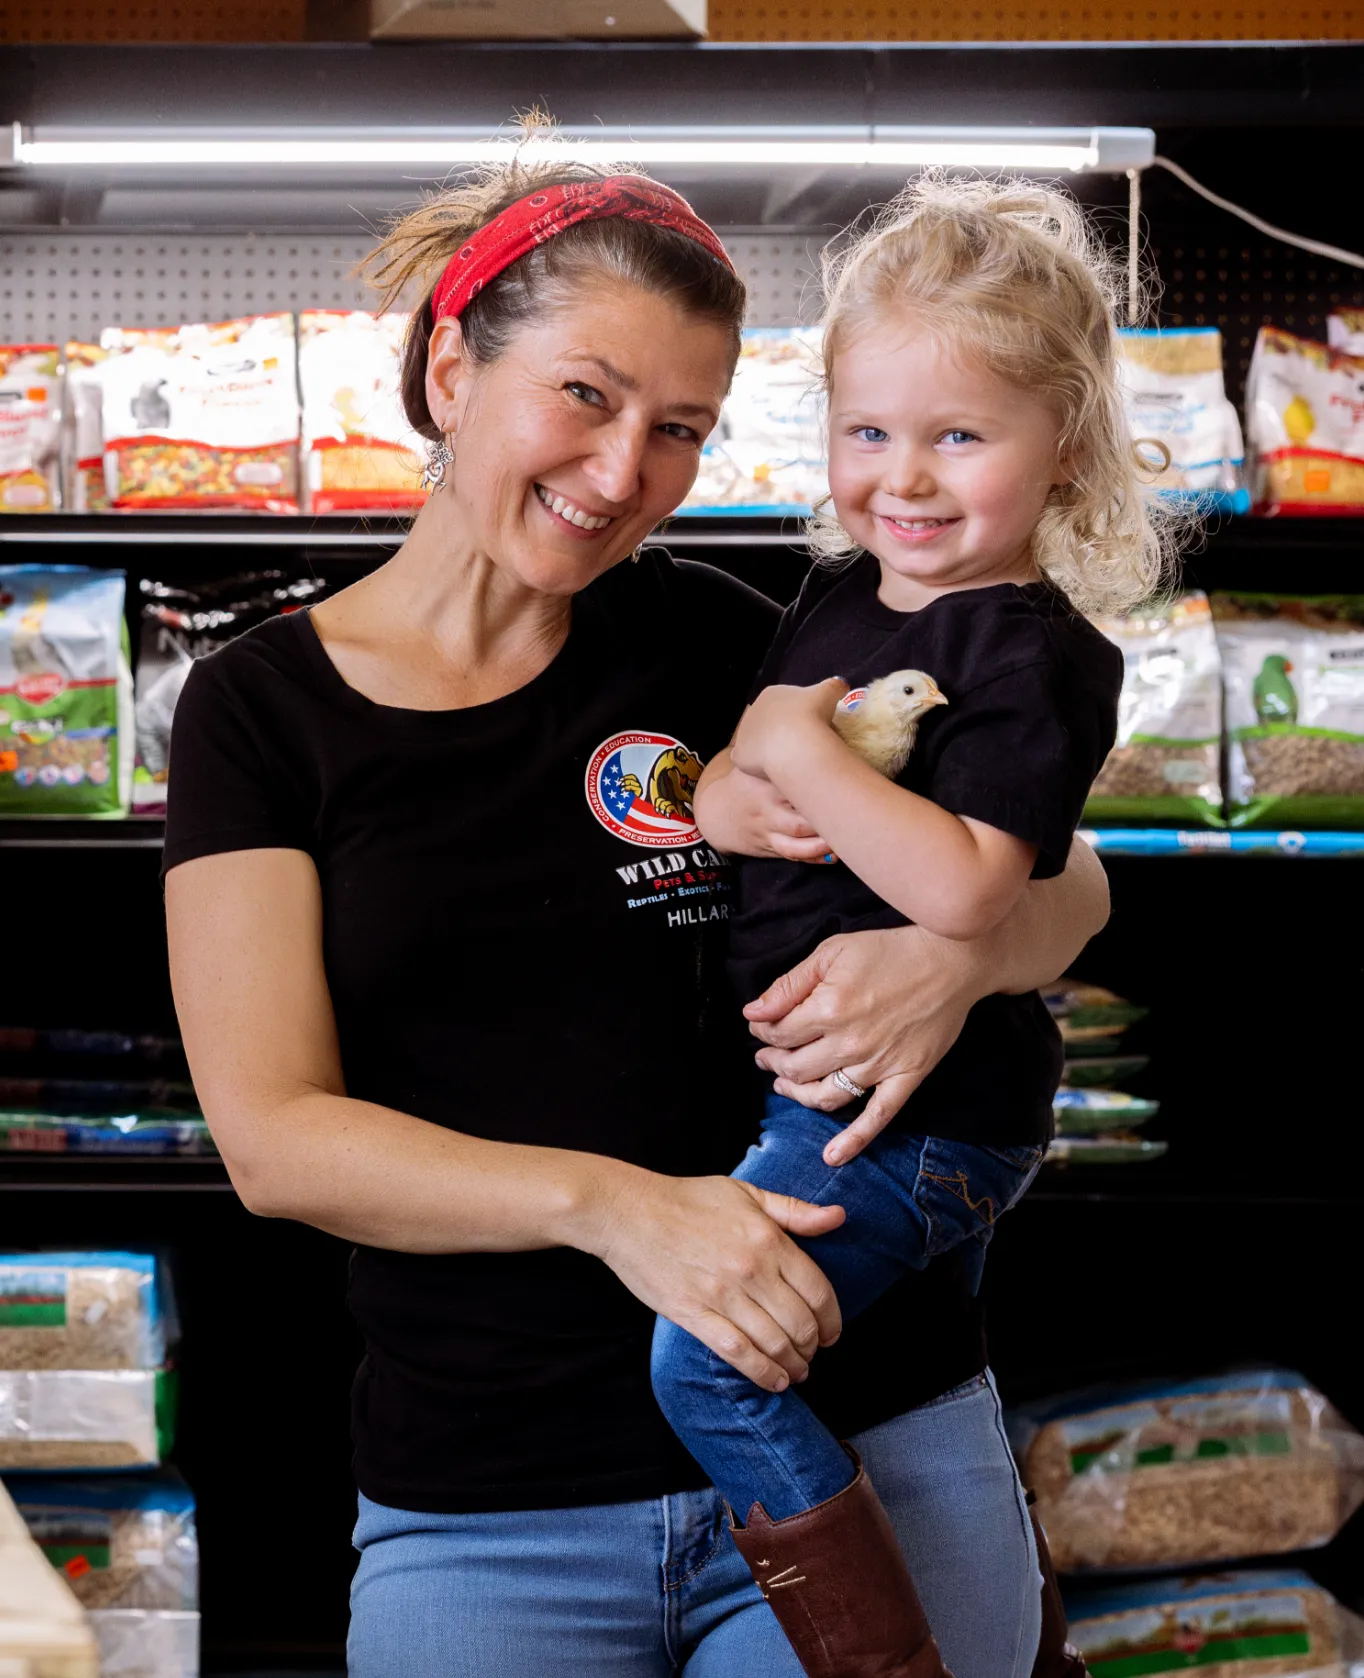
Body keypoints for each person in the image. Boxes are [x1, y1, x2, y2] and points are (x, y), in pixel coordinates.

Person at [162, 146, 1109, 1678]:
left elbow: (1072, 875)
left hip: (867, 1427)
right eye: (587, 397)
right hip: (495, 1502)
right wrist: (629, 1211)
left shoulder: (745, 639)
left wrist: (963, 955)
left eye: (680, 430)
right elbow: (276, 1137)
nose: (623, 476)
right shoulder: (263, 715)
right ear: (452, 366)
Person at [651, 176, 1172, 1677]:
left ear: (1063, 446)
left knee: (706, 1360)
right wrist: (743, 790)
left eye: (961, 436)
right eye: (870, 432)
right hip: (822, 1093)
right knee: (840, 1355)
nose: (907, 478)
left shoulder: (1035, 651)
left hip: (930, 1115)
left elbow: (962, 889)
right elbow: (742, 791)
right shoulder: (830, 604)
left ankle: (878, 1653)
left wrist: (793, 752)